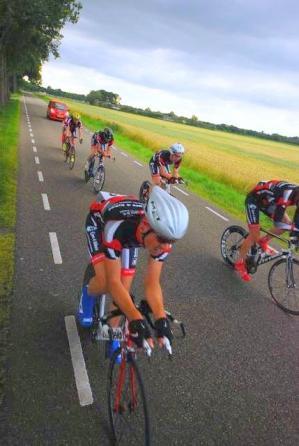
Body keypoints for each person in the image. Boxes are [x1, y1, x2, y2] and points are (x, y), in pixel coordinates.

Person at [77, 186, 189, 353]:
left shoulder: (161, 239)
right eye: (163, 239)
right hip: (101, 223)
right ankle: (87, 293)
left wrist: (161, 319)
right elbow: (114, 284)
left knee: (125, 287)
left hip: (132, 235)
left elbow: (152, 284)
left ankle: (113, 334)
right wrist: (136, 318)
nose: (166, 246)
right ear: (145, 226)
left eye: (172, 241)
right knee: (107, 282)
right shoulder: (116, 226)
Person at [235, 180, 299, 281]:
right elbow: (277, 222)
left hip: (269, 202)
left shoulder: (296, 195)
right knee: (254, 234)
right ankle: (239, 262)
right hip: (254, 200)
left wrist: (295, 235)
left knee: (287, 224)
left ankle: (263, 241)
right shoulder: (287, 194)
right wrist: (292, 229)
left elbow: (296, 223)